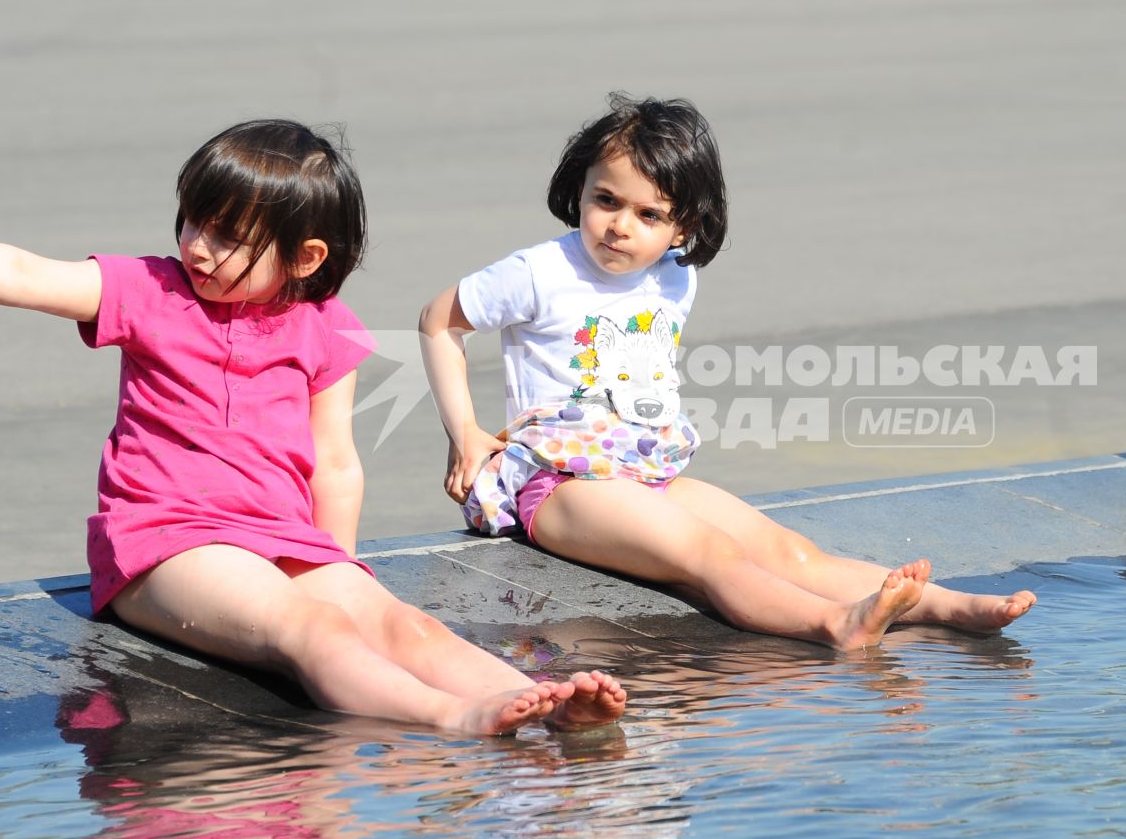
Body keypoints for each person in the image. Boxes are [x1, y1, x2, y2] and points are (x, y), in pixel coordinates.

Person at [0, 119, 625, 735]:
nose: (197, 246)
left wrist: (341, 565)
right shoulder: (146, 291)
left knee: (399, 621)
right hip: (165, 543)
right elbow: (16, 269)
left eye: (228, 238)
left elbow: (334, 463)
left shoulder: (325, 325)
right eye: (192, 221)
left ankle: (538, 702)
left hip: (278, 537)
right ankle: (454, 718)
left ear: (304, 259)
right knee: (310, 628)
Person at [419, 93, 1036, 650]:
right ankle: (836, 624)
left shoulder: (674, 276)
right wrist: (466, 434)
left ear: (684, 225)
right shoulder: (540, 272)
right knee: (708, 553)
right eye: (606, 200)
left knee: (789, 551)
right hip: (558, 486)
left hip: (644, 474)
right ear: (579, 187)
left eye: (649, 214)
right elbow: (438, 320)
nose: (620, 225)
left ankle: (949, 606)